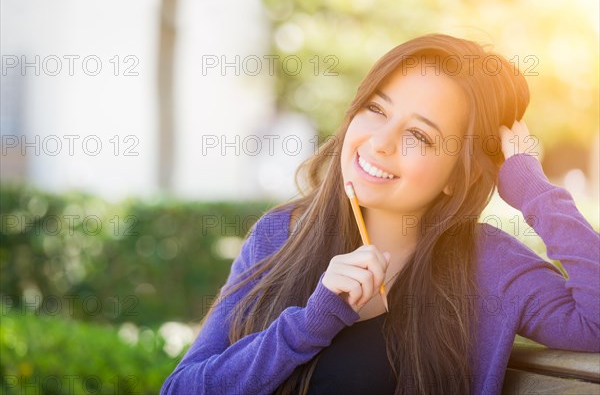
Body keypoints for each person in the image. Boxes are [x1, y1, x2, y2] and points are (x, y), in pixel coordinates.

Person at [161, 34, 600, 395]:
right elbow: (180, 389)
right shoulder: (280, 234)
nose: (380, 142)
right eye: (376, 109)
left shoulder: (489, 267)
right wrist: (310, 324)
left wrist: (533, 190)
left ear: (457, 175)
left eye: (418, 135)